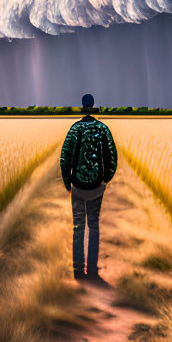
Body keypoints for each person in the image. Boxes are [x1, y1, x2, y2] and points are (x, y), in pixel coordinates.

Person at [61, 92, 118, 279]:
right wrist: (105, 179)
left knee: (78, 226)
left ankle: (78, 271)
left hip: (77, 187)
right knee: (93, 224)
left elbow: (64, 158)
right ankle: (92, 270)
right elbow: (112, 157)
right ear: (93, 106)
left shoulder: (75, 129)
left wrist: (67, 182)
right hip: (96, 188)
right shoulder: (103, 129)